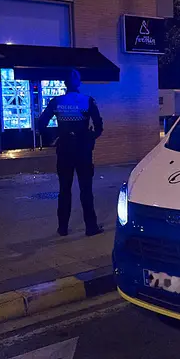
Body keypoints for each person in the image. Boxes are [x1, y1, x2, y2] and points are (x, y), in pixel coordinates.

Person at [38, 69, 104, 237]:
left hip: (64, 150)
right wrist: (89, 138)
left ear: (64, 83)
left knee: (64, 190)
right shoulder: (87, 101)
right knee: (86, 190)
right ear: (79, 83)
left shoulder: (56, 102)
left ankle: (63, 228)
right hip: (83, 151)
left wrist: (53, 139)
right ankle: (91, 227)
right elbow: (99, 126)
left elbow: (41, 124)